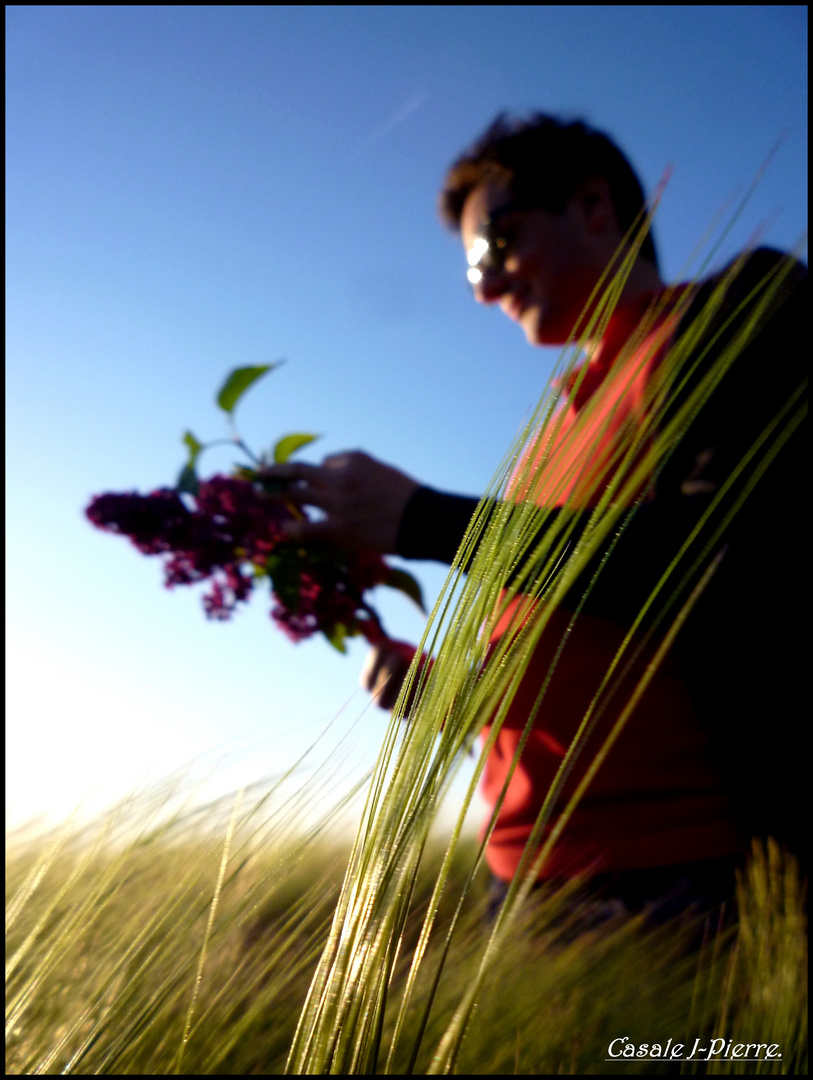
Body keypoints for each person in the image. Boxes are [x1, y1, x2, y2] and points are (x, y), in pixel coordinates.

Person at [264, 114, 807, 924]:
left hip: (682, 870)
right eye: (469, 274)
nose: (483, 288)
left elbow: (724, 562)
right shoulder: (551, 427)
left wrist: (423, 520)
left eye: (494, 247)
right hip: (517, 880)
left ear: (591, 205)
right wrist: (451, 692)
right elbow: (580, 629)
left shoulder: (736, 314)